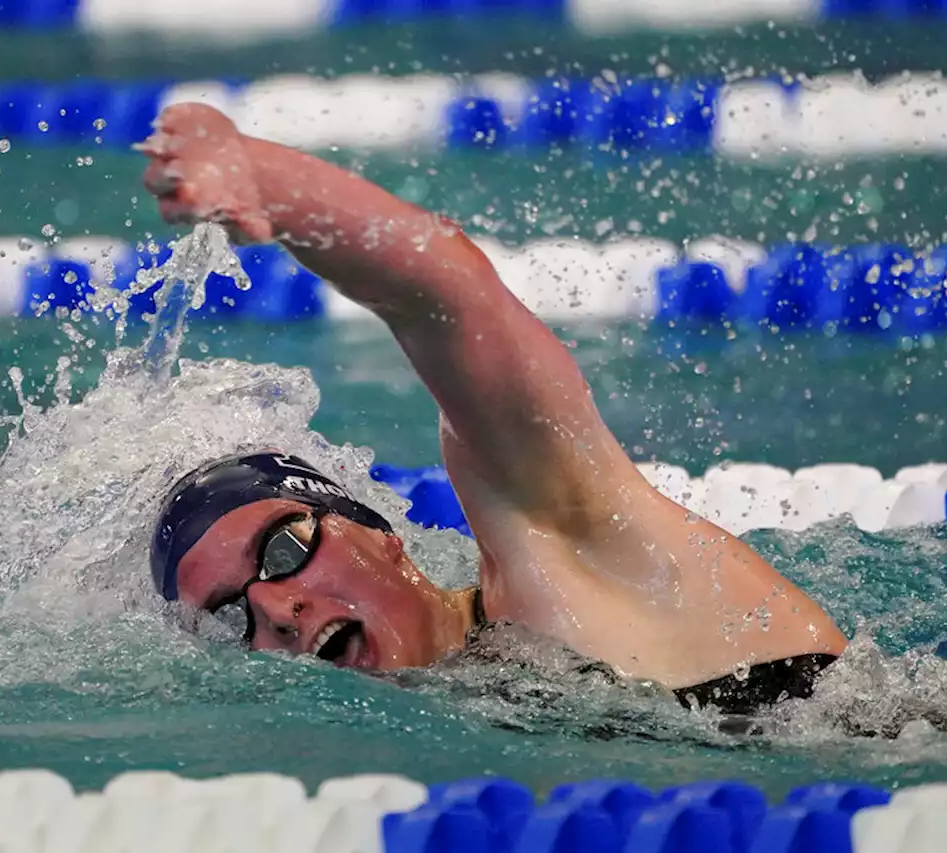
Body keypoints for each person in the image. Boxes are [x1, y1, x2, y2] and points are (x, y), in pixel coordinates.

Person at [139, 103, 848, 714]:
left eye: (284, 546)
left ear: (378, 534)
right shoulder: (447, 714)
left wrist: (261, 175)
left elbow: (446, 295)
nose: (272, 609)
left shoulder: (560, 549)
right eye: (230, 618)